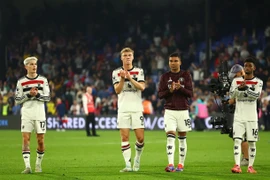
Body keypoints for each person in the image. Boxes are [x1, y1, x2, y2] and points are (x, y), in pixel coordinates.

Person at [158, 52, 193, 172]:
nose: (173, 63)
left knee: (182, 138)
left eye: (175, 61)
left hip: (183, 110)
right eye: (171, 61)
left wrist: (181, 88)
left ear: (180, 62)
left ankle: (181, 165)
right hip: (170, 111)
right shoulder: (164, 77)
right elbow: (160, 95)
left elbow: (190, 93)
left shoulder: (186, 75)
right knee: (170, 137)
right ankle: (171, 164)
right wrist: (170, 90)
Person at [112, 47, 145, 172]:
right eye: (125, 55)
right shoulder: (116, 72)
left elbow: (142, 87)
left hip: (137, 108)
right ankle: (127, 165)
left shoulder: (139, 71)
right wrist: (122, 78)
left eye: (129, 55)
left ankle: (137, 158)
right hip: (123, 109)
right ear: (121, 58)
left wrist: (129, 78)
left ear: (133, 57)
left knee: (140, 139)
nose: (127, 57)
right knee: (124, 137)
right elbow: (117, 90)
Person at [15, 56, 50, 174]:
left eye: (35, 64)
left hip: (40, 114)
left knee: (40, 141)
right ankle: (27, 167)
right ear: (26, 67)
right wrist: (29, 95)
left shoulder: (43, 80)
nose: (34, 66)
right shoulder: (21, 82)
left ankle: (38, 164)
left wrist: (37, 95)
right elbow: (17, 100)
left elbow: (48, 97)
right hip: (26, 114)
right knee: (26, 139)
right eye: (31, 64)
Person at [230, 57, 263, 173]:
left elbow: (256, 96)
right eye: (245, 66)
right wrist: (240, 88)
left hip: (252, 117)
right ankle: (237, 165)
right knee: (237, 141)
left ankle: (250, 167)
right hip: (239, 116)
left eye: (249, 65)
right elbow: (232, 94)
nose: (247, 67)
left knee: (252, 142)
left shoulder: (259, 82)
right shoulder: (236, 81)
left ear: (254, 68)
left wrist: (246, 88)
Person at [228, 64, 249, 166]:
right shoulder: (251, 79)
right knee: (245, 136)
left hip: (241, 112)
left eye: (235, 75)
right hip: (251, 111)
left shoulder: (237, 81)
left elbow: (232, 100)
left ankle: (246, 158)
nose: (235, 77)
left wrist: (228, 101)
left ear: (241, 72)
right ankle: (247, 157)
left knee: (239, 136)